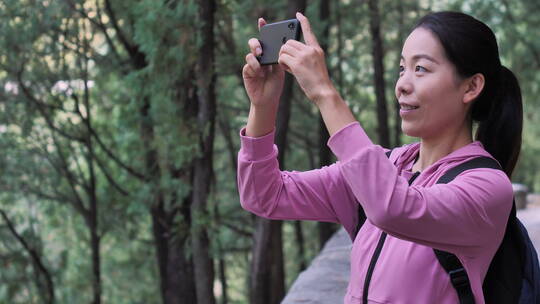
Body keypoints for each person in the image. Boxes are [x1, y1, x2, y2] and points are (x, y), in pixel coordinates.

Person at [237, 11, 523, 304]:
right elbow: (264, 195)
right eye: (402, 69)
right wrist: (263, 105)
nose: (402, 84)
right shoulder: (388, 167)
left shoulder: (487, 187)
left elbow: (393, 208)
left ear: (471, 87)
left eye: (421, 68)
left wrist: (325, 93)